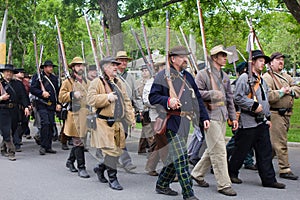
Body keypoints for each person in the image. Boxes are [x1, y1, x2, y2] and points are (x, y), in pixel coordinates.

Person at [149, 46, 210, 200]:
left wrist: (204, 118)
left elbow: (197, 99)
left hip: (185, 122)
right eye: (181, 56)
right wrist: (168, 100)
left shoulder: (188, 77)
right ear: (173, 59)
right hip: (170, 121)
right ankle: (188, 194)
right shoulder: (162, 76)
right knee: (182, 157)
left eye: (185, 56)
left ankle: (162, 184)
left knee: (174, 157)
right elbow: (153, 97)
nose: (185, 59)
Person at [228, 50, 286, 189]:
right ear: (252, 62)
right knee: (240, 151)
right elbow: (237, 97)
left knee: (265, 152)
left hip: (261, 122)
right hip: (248, 122)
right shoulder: (244, 78)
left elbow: (265, 99)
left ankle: (268, 180)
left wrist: (267, 118)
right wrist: (253, 105)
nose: (263, 63)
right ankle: (231, 172)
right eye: (260, 61)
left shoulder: (260, 79)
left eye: (264, 61)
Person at [191, 45, 237, 196]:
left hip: (222, 115)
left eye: (225, 55)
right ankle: (224, 184)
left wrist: (233, 116)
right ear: (214, 58)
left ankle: (197, 173)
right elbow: (195, 94)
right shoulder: (202, 75)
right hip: (209, 116)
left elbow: (230, 98)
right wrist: (211, 93)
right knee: (219, 151)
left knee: (213, 149)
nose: (225, 58)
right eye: (222, 55)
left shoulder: (224, 76)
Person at [87, 56, 135, 190]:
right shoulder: (97, 82)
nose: (116, 67)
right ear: (104, 67)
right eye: (112, 65)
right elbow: (90, 99)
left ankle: (100, 167)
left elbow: (126, 101)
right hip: (103, 122)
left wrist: (131, 118)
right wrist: (107, 97)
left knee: (118, 151)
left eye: (116, 64)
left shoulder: (118, 82)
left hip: (118, 123)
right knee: (112, 151)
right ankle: (112, 179)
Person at [262, 52, 300, 180]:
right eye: (278, 60)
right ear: (271, 63)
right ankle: (284, 169)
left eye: (282, 60)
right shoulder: (267, 78)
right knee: (281, 143)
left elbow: (297, 87)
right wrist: (281, 92)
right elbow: (267, 96)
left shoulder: (286, 76)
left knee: (274, 144)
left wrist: (291, 90)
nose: (281, 62)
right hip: (276, 113)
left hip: (287, 113)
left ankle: (262, 163)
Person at [58, 57, 90, 178]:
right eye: (77, 65)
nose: (80, 67)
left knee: (80, 142)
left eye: (82, 65)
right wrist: (72, 94)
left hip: (85, 115)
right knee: (78, 142)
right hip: (74, 115)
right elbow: (61, 97)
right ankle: (81, 167)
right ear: (73, 68)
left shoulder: (87, 82)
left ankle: (70, 161)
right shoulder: (67, 82)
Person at [226, 61, 257, 170]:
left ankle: (248, 161)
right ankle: (223, 158)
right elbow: (235, 100)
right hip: (238, 116)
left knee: (246, 139)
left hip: (246, 116)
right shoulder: (237, 83)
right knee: (236, 140)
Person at [116, 50, 142, 172]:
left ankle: (111, 156)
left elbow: (135, 95)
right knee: (120, 136)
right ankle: (127, 162)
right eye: (121, 60)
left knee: (123, 135)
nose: (124, 62)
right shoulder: (112, 76)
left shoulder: (130, 77)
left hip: (127, 110)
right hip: (115, 111)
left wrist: (139, 109)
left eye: (125, 60)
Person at [143, 57, 168, 176]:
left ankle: (150, 166)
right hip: (156, 117)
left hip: (168, 116)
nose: (165, 68)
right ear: (158, 68)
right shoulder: (151, 82)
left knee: (158, 143)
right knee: (163, 143)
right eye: (162, 66)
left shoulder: (169, 81)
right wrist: (161, 103)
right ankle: (169, 171)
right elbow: (147, 100)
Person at [30, 60, 61, 155]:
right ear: (44, 68)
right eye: (48, 66)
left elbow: (57, 92)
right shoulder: (38, 77)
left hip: (51, 105)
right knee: (45, 124)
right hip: (42, 104)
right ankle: (43, 146)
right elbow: (32, 89)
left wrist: (58, 103)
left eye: (51, 66)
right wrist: (42, 93)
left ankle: (48, 146)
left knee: (51, 124)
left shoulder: (54, 78)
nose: (50, 68)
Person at [0, 64, 30, 161]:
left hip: (14, 110)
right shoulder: (0, 84)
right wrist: (1, 98)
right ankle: (11, 151)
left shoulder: (18, 84)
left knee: (12, 130)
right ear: (3, 73)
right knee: (6, 131)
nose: (8, 73)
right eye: (6, 71)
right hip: (3, 110)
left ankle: (2, 147)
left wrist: (26, 106)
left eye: (10, 72)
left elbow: (23, 96)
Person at [136, 64, 154, 155]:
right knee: (148, 129)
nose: (144, 72)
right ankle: (152, 150)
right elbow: (137, 96)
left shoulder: (153, 81)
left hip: (151, 107)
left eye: (146, 70)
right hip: (143, 108)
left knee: (146, 129)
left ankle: (141, 148)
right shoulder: (138, 83)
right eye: (142, 71)